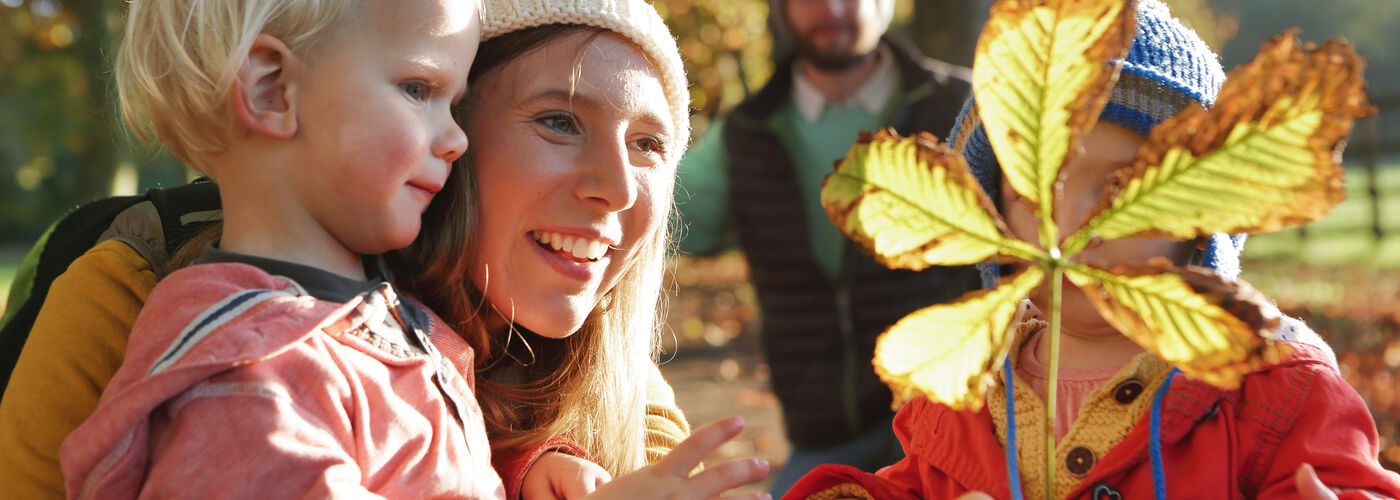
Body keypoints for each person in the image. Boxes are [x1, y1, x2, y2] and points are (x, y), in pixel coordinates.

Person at [50, 0, 769, 497]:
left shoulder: (376, 324)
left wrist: (528, 468)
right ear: (270, 88)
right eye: (422, 91)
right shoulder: (251, 372)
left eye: (650, 146)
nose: (615, 187)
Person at [781, 1, 1399, 498]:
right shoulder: (963, 387)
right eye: (1034, 191)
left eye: (1118, 188)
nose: (1068, 229)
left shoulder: (1276, 389)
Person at [388, 0, 769, 498]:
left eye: (648, 145)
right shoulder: (319, 356)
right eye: (561, 122)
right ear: (452, 136)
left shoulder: (635, 403)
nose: (619, 188)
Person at [673, 0, 981, 493]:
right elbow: (656, 218)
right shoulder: (746, 132)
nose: (832, 8)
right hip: (823, 430)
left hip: (955, 421)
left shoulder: (965, 104)